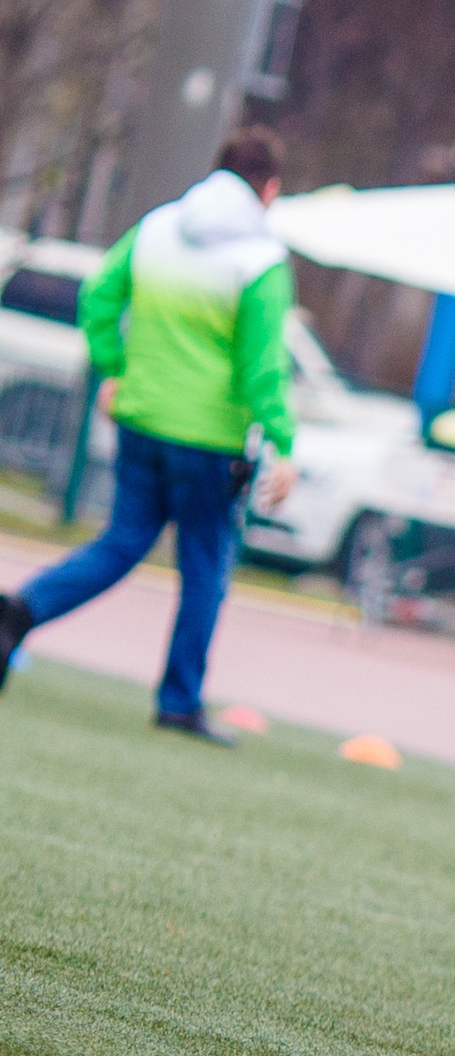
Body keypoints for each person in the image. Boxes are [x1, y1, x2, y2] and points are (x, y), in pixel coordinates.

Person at [0, 128, 298, 741]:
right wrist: (283, 443)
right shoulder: (261, 260)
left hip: (140, 419)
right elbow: (261, 366)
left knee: (122, 542)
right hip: (210, 437)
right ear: (268, 189)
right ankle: (179, 700)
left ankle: (20, 610)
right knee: (205, 567)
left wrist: (113, 368)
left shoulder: (159, 226)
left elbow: (99, 296)